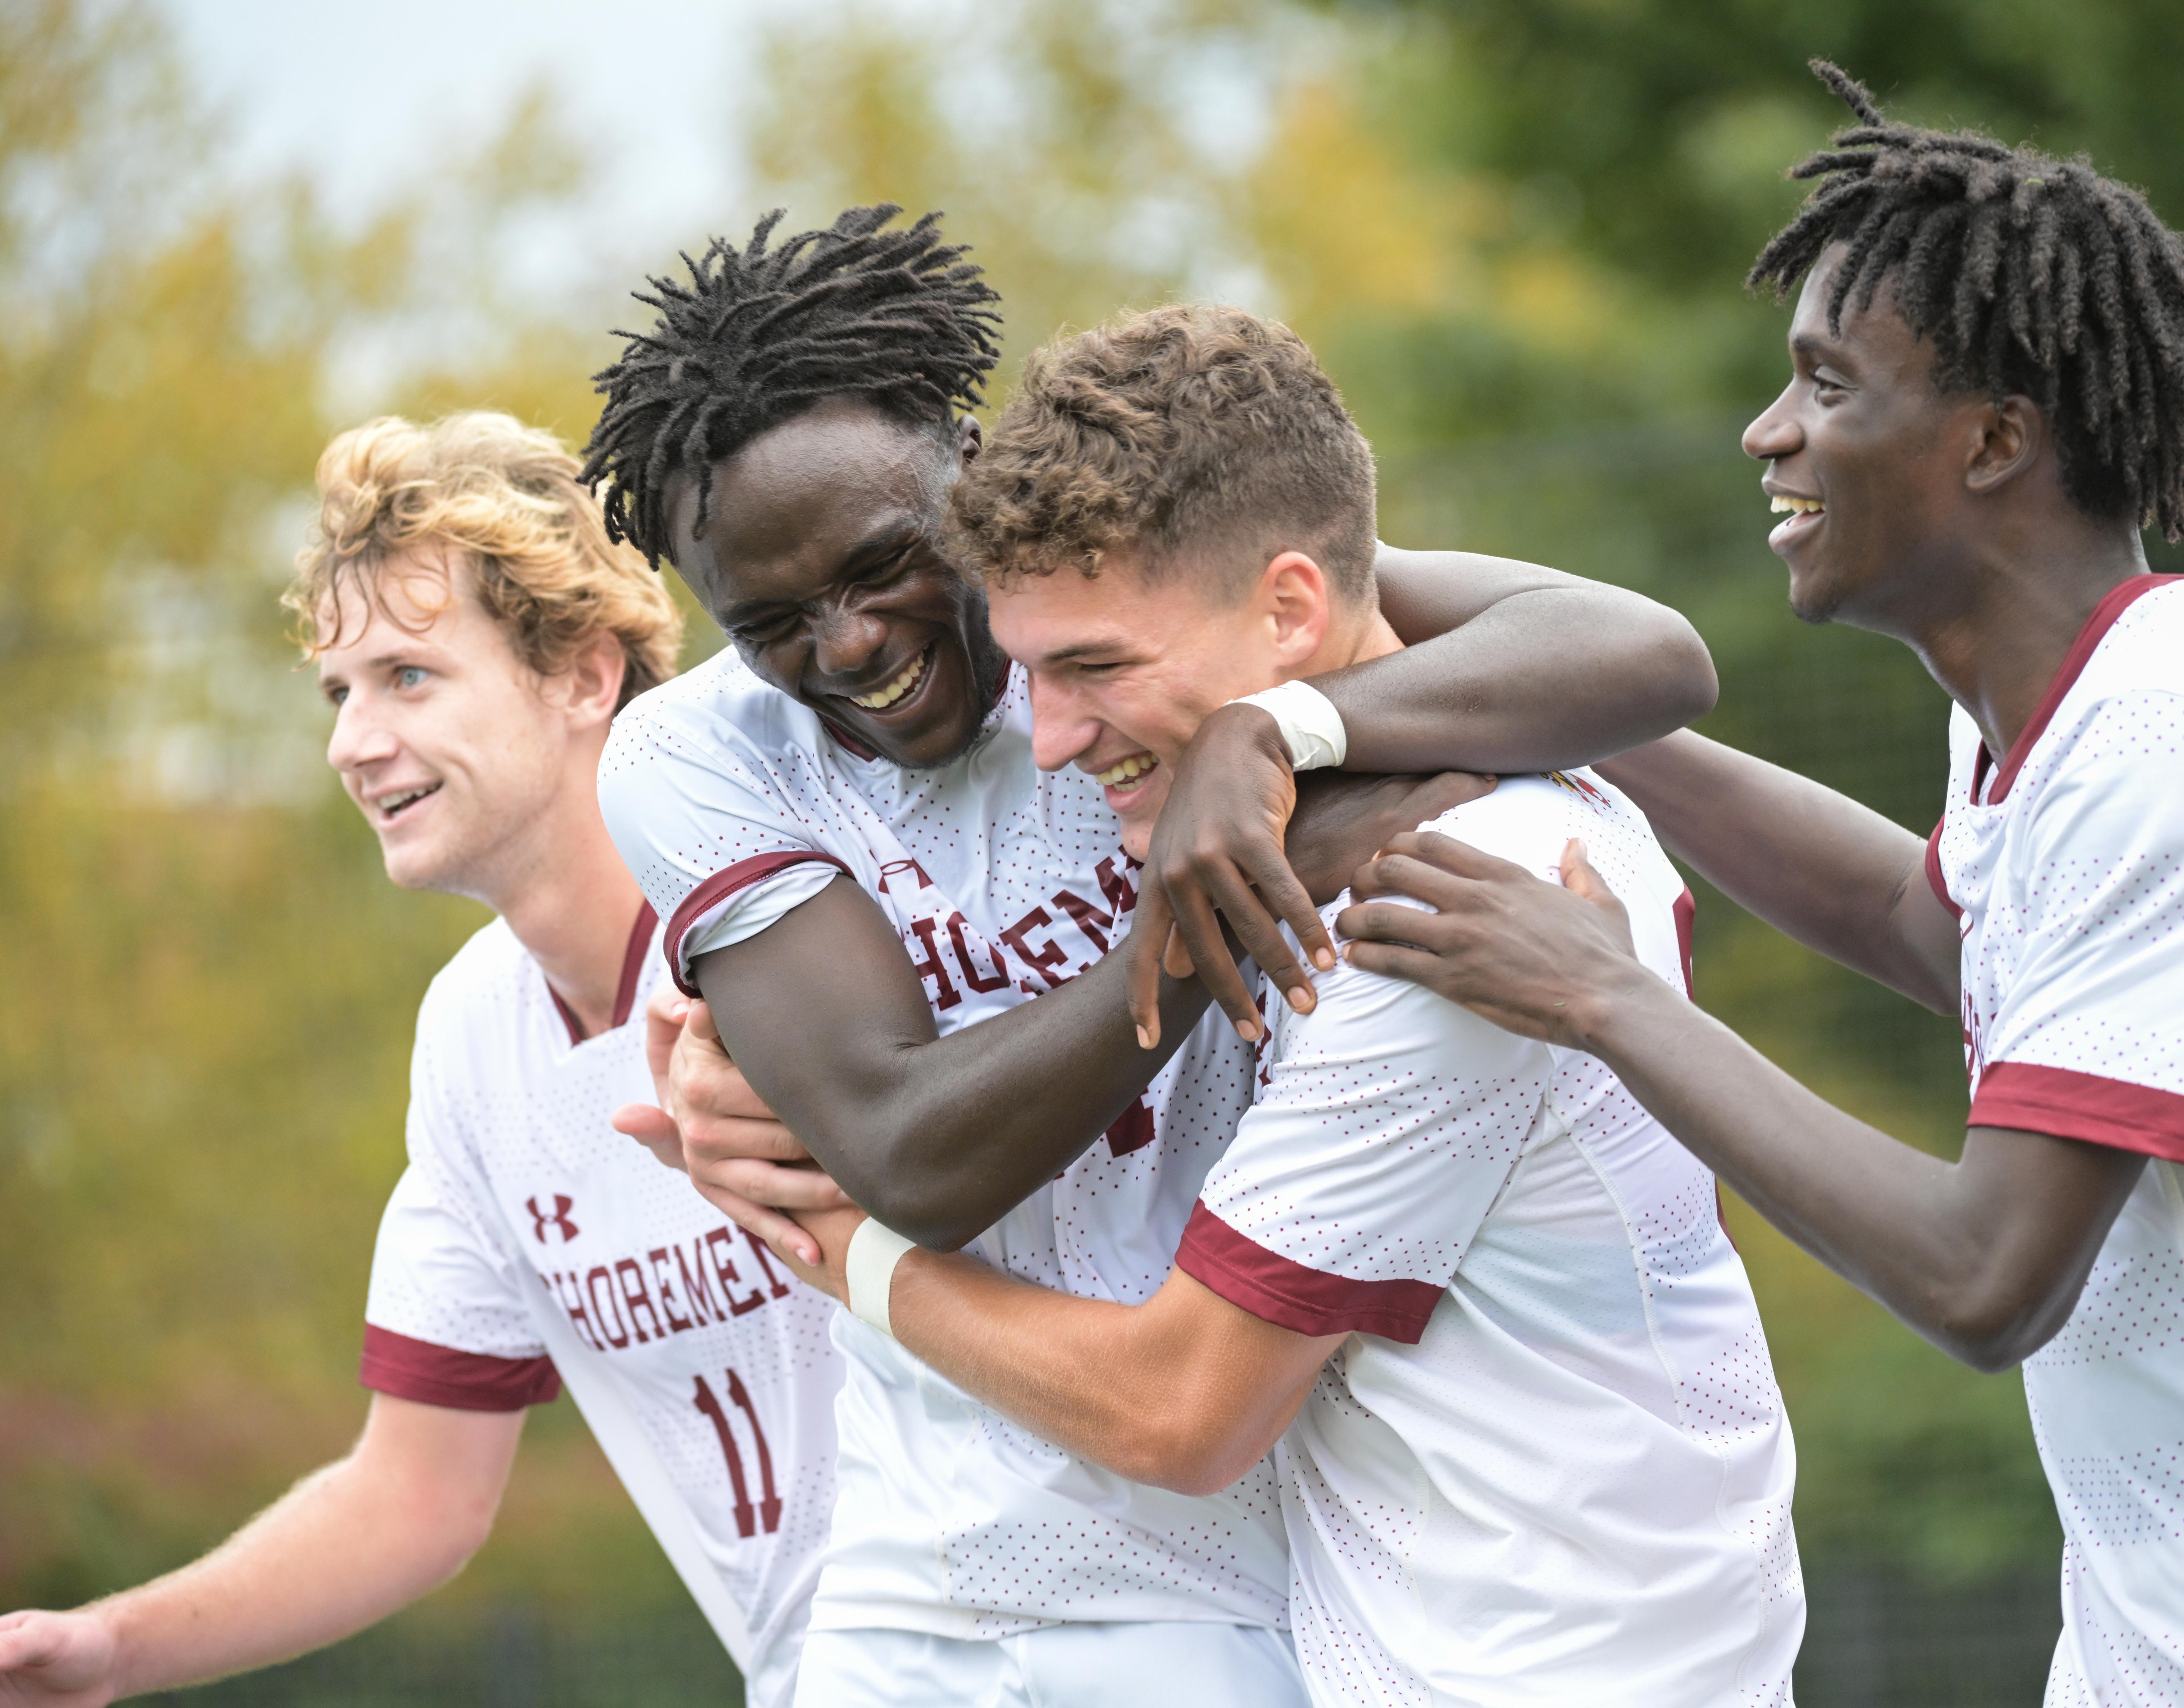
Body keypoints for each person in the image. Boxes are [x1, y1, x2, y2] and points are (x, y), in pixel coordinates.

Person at [1326, 64, 2184, 1707]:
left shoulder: (2182, 729)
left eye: (1827, 384)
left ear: (1994, 441)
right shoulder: (2056, 723)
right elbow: (1916, 923)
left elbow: (1987, 1278)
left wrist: (1602, 995)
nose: (1770, 430)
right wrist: (1371, 608)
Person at [578, 209, 1725, 1705]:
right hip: (916, 1557)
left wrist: (1282, 733)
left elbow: (1641, 652)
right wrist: (1223, 905)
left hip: (1226, 1565)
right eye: (772, 621)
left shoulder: (1125, 621)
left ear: (964, 467)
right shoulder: (703, 752)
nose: (848, 645)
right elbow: (912, 1150)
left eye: (883, 564)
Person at [0, 415, 845, 1708]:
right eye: (340, 692)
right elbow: (416, 1489)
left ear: (584, 675)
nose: (351, 741)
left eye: (407, 676)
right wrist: (110, 1648)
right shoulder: (471, 1036)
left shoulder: (792, 918)